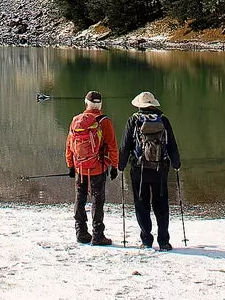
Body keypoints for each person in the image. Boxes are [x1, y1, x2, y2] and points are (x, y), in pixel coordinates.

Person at [119, 90, 181, 250]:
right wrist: (176, 164)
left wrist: (120, 165)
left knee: (141, 204)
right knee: (161, 205)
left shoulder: (133, 120)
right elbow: (172, 144)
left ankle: (146, 240)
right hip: (160, 169)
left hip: (139, 170)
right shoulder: (164, 120)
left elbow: (125, 146)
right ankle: (164, 241)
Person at [66, 90, 119, 245]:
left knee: (80, 198)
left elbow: (69, 144)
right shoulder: (104, 121)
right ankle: (98, 235)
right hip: (98, 167)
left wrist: (70, 164)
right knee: (97, 200)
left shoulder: (76, 120)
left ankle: (81, 233)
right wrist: (114, 166)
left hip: (79, 167)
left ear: (86, 104)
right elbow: (112, 146)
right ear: (100, 105)